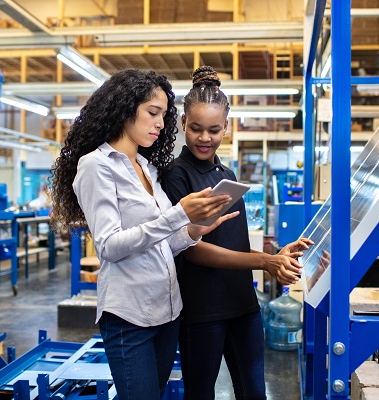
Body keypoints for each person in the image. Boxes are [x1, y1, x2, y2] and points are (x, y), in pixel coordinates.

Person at [48, 69, 238, 400]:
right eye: (153, 113)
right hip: (128, 316)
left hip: (167, 312)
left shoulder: (147, 168)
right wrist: (179, 215)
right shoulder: (97, 166)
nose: (161, 124)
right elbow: (109, 246)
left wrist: (194, 229)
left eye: (164, 115)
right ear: (125, 108)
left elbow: (163, 241)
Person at [161, 66, 314, 400]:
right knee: (201, 394)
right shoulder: (176, 176)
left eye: (214, 130)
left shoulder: (226, 173)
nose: (205, 138)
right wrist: (265, 261)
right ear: (183, 123)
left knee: (253, 393)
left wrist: (277, 252)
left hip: (243, 305)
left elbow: (231, 238)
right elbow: (192, 248)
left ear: (226, 127)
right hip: (202, 310)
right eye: (197, 128)